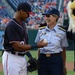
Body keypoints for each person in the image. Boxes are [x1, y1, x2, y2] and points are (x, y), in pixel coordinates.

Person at [2, 2, 47, 75]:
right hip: (11, 58)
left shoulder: (23, 25)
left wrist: (30, 57)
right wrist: (37, 45)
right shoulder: (12, 25)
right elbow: (17, 46)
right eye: (28, 13)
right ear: (21, 11)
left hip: (22, 57)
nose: (29, 15)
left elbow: (24, 44)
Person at [35, 7, 68, 75]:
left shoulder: (62, 32)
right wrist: (38, 61)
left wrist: (63, 66)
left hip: (56, 59)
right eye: (45, 16)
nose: (46, 18)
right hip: (42, 59)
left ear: (55, 17)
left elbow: (63, 50)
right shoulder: (41, 30)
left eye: (48, 16)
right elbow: (39, 48)